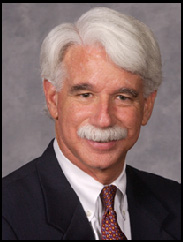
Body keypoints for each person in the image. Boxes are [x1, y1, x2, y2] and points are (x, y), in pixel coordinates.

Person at [2, 7, 181, 240]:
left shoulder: (175, 202)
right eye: (85, 95)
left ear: (147, 106)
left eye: (123, 97)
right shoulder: (8, 213)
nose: (104, 119)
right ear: (53, 99)